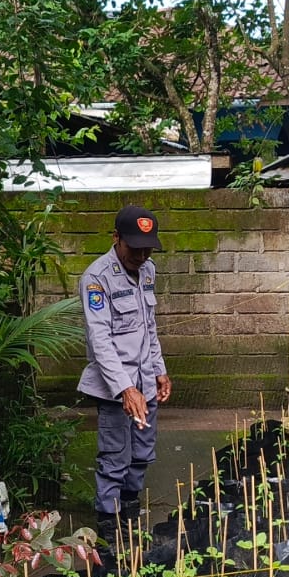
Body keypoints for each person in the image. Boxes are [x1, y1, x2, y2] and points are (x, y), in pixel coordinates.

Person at [77, 205, 171, 551]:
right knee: (115, 456)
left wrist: (159, 371)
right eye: (135, 248)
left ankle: (130, 512)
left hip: (145, 381)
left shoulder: (148, 270)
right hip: (115, 388)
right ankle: (108, 522)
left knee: (143, 453)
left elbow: (149, 327)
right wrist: (125, 388)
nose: (142, 255)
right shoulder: (96, 278)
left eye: (148, 248)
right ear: (116, 239)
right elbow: (99, 341)